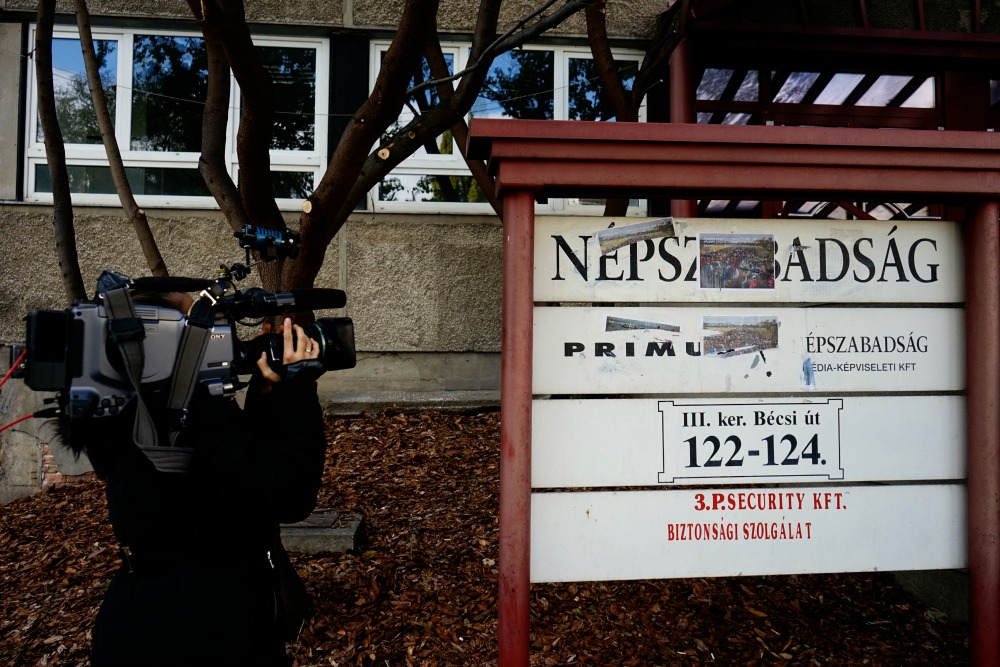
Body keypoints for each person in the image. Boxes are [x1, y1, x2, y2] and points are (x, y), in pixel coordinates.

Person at [61, 291, 327, 667]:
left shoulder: (122, 410)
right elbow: (288, 493)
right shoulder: (191, 413)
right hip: (209, 624)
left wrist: (266, 394)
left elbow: (235, 471)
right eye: (202, 326)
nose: (212, 337)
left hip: (135, 616)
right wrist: (296, 389)